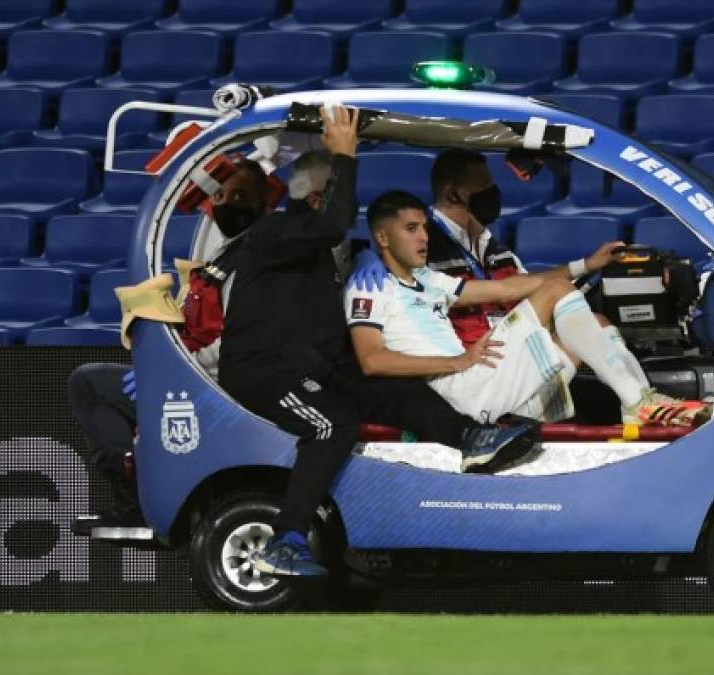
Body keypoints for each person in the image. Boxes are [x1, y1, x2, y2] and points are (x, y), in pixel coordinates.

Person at [218, 108, 536, 579]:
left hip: (317, 366)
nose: (346, 214)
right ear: (317, 199)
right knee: (331, 426)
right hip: (265, 370)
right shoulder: (273, 233)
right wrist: (344, 153)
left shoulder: (329, 254)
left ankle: (471, 437)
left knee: (395, 388)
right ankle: (283, 541)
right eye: (335, 199)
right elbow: (330, 224)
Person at [350, 149, 709, 420]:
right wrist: (366, 256)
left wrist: (587, 265)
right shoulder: (392, 270)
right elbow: (372, 355)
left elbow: (509, 289)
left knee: (596, 324)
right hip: (470, 368)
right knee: (557, 294)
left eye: (422, 229)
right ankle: (638, 402)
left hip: (492, 362)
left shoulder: (437, 273)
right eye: (484, 188)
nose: (422, 236)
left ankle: (620, 400)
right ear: (453, 192)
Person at [69, 159, 270, 535]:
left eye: (241, 196)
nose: (227, 204)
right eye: (221, 195)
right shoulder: (223, 255)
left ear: (263, 204)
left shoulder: (254, 261)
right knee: (98, 381)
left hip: (215, 385)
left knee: (88, 383)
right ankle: (141, 488)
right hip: (199, 374)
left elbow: (238, 344)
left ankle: (135, 499)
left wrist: (176, 369)